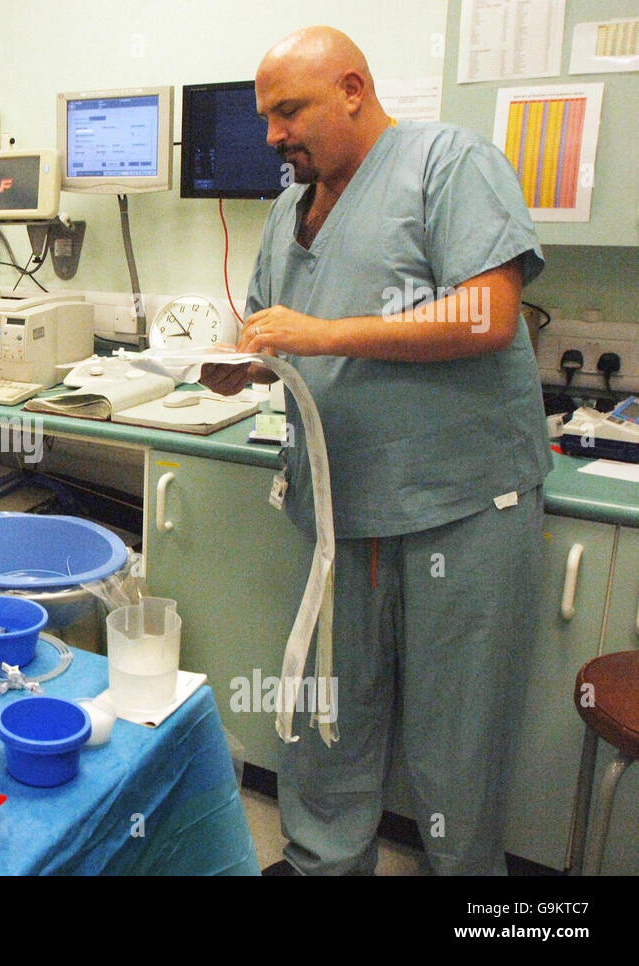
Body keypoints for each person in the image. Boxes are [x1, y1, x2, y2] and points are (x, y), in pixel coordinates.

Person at [201, 26, 552, 875]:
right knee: (331, 713)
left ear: (353, 89)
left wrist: (321, 335)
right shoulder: (290, 209)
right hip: (342, 510)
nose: (274, 135)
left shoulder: (447, 162)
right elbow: (274, 329)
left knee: (455, 737)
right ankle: (324, 861)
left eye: (290, 111)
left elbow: (486, 316)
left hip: (460, 506)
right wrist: (247, 366)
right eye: (266, 117)